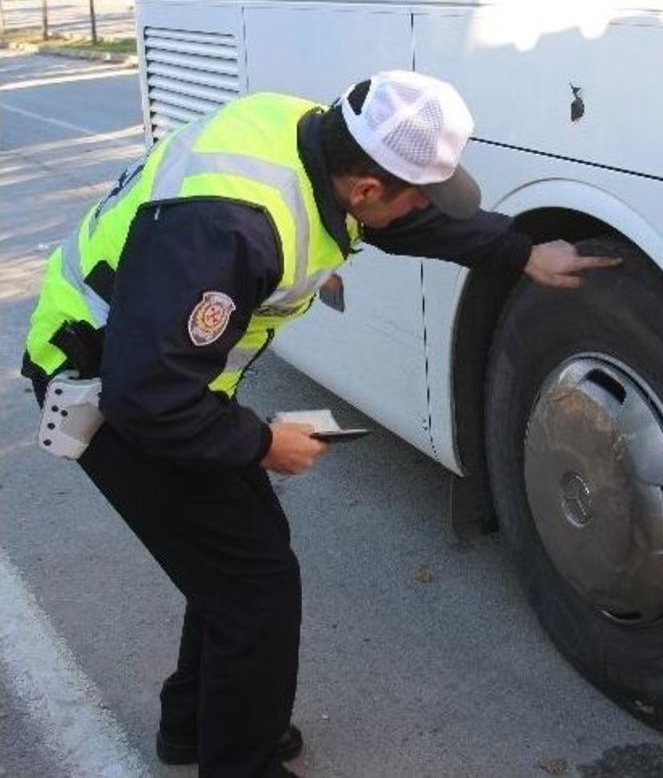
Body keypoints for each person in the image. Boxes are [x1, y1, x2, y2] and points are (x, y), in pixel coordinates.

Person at [21, 70, 619, 777]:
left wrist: (517, 251)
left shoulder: (315, 137)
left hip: (164, 375)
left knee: (245, 559)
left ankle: (195, 725)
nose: (422, 207)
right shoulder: (230, 227)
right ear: (366, 186)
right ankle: (237, 762)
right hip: (112, 389)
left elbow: (402, 218)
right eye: (417, 192)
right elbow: (146, 397)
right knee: (256, 588)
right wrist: (264, 443)